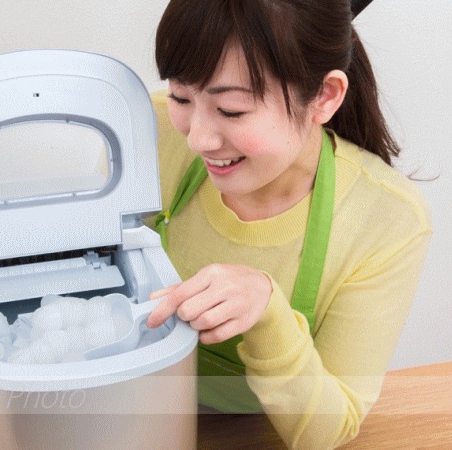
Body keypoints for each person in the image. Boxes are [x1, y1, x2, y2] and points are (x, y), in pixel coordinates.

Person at [141, 1, 432, 449]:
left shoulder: (386, 220)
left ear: (325, 97)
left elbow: (329, 431)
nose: (197, 137)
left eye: (232, 110)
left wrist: (269, 315)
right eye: (181, 97)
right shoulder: (149, 129)